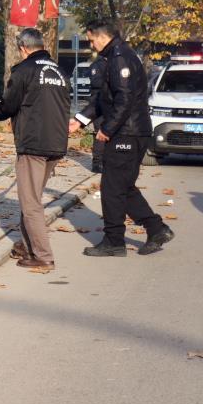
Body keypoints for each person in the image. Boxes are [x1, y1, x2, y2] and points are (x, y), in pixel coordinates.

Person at [68, 19, 173, 256]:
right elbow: (102, 99)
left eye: (91, 38)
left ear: (102, 36)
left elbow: (124, 99)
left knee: (113, 188)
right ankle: (156, 229)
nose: (90, 43)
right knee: (122, 186)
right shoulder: (112, 57)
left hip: (128, 132)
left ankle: (115, 240)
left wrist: (108, 129)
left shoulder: (120, 58)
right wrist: (81, 119)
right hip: (129, 131)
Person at [0, 28, 71, 270]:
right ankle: (28, 246)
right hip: (56, 143)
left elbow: (9, 105)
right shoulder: (60, 71)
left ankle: (43, 257)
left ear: (23, 47)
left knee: (30, 202)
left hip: (33, 144)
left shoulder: (23, 70)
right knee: (32, 197)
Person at [75, 55, 108, 174]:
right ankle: (98, 162)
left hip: (102, 103)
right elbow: (98, 84)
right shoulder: (101, 64)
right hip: (99, 103)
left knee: (103, 132)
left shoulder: (98, 64)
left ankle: (102, 161)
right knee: (101, 132)